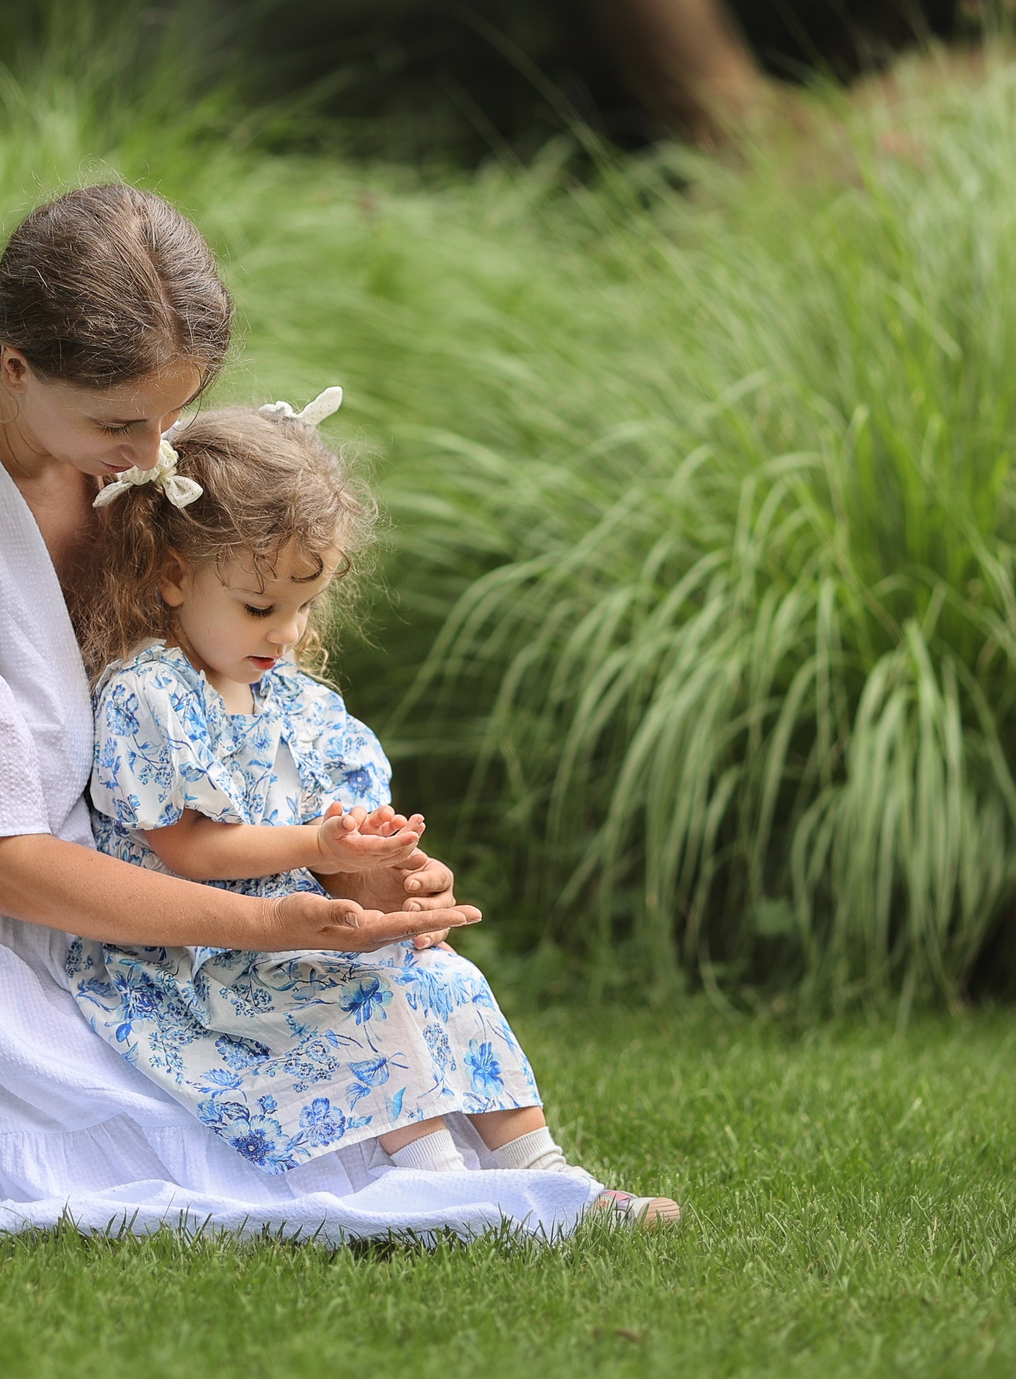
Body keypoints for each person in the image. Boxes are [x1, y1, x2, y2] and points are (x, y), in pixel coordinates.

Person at [0, 183, 601, 1241]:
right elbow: (3, 861)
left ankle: (485, 1163)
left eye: (170, 411)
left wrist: (348, 871)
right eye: (121, 420)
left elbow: (214, 716)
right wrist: (268, 922)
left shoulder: (122, 466)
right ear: (13, 366)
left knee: (362, 1049)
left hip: (137, 899)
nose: (153, 448)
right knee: (275, 1162)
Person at [62, 392, 681, 1227]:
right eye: (257, 606)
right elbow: (189, 849)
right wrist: (318, 839)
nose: (283, 633)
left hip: (298, 935)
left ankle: (547, 1172)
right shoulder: (153, 695)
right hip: (197, 960)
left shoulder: (299, 707)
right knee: (364, 998)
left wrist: (388, 868)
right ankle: (448, 1197)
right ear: (174, 574)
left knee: (445, 976)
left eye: (301, 607)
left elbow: (338, 856)